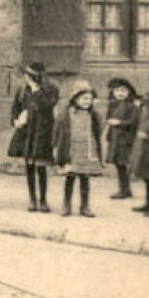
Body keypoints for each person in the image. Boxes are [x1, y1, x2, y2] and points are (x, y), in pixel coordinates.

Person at [9, 62, 59, 213]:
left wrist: (37, 91)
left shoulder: (50, 90)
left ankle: (43, 200)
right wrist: (15, 120)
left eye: (28, 76)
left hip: (42, 132)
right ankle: (32, 199)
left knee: (41, 166)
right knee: (29, 165)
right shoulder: (22, 90)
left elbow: (47, 106)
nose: (25, 78)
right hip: (26, 132)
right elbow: (15, 108)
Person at [53, 78, 104, 217]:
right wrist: (56, 147)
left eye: (89, 99)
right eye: (84, 98)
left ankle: (85, 206)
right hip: (71, 150)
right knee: (70, 177)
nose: (87, 102)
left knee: (85, 178)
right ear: (75, 99)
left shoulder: (93, 115)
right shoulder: (67, 113)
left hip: (87, 149)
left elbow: (98, 131)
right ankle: (66, 205)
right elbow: (58, 131)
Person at [104, 77, 140, 199]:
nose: (120, 93)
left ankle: (124, 190)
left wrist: (119, 123)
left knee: (123, 164)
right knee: (118, 165)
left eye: (123, 91)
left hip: (126, 140)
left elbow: (134, 122)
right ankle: (124, 189)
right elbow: (108, 119)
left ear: (129, 92)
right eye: (117, 91)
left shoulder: (132, 107)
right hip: (115, 140)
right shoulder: (112, 105)